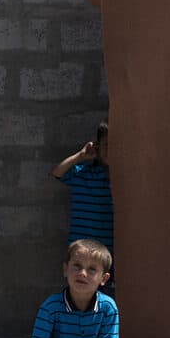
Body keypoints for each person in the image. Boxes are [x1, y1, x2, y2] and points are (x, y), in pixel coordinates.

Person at [28, 239, 128, 338]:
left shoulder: (108, 307)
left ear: (103, 279)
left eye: (92, 269)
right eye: (77, 265)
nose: (82, 273)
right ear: (65, 269)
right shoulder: (51, 306)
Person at [51, 121, 114, 296]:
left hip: (107, 251)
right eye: (107, 146)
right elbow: (58, 172)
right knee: (79, 293)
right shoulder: (83, 172)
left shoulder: (122, 178)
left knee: (104, 295)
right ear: (98, 147)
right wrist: (81, 155)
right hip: (81, 247)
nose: (111, 151)